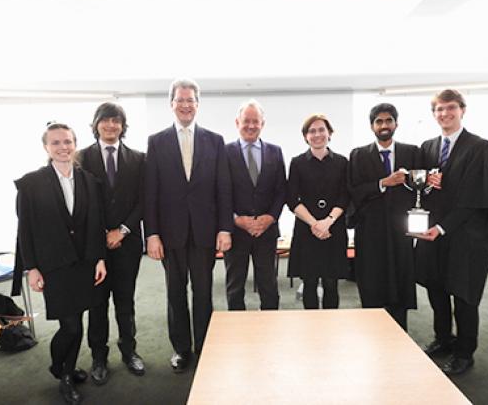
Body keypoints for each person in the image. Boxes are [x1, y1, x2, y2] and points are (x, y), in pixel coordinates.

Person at [416, 89, 488, 375]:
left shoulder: (481, 148)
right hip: (435, 233)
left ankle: (464, 352)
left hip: (468, 236)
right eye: (439, 109)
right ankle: (443, 339)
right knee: (436, 288)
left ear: (462, 110)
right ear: (433, 114)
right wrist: (426, 184)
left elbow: (477, 198)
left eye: (450, 108)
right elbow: (423, 191)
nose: (444, 114)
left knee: (464, 295)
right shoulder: (429, 146)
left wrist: (442, 227)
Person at [12, 122, 107, 405]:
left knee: (77, 322)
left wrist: (100, 258)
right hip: (55, 265)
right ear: (46, 147)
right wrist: (32, 268)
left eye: (67, 141)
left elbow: (96, 223)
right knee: (71, 327)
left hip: (84, 263)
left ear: (75, 144)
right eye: (55, 143)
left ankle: (65, 368)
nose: (63, 147)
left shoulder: (89, 181)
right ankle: (62, 373)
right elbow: (24, 231)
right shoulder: (30, 184)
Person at [144, 78, 233, 372]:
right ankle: (181, 349)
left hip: (205, 232)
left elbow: (223, 189)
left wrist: (224, 228)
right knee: (175, 294)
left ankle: (205, 345)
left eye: (190, 100)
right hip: (170, 234)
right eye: (180, 100)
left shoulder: (215, 141)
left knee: (204, 292)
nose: (185, 105)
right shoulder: (156, 142)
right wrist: (152, 234)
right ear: (171, 104)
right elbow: (151, 193)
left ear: (197, 104)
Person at [76, 102, 145, 384]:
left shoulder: (140, 159)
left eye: (116, 121)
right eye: (105, 121)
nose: (111, 126)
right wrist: (102, 233)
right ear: (96, 124)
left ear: (122, 126)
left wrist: (123, 230)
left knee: (125, 301)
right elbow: (79, 204)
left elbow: (144, 200)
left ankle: (129, 351)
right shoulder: (81, 158)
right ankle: (99, 357)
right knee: (97, 303)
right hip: (94, 246)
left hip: (127, 243)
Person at [348, 103, 418, 330]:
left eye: (389, 120)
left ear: (396, 123)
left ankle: (401, 335)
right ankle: (372, 335)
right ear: (372, 126)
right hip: (371, 230)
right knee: (372, 282)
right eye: (379, 121)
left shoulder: (413, 152)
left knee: (400, 281)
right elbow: (354, 191)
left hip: (401, 229)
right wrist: (382, 183)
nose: (384, 125)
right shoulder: (358, 155)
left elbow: (422, 188)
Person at [224, 99, 286, 311]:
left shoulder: (275, 152)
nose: (251, 126)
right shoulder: (224, 152)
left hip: (266, 231)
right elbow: (220, 192)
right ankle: (237, 331)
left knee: (268, 284)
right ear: (237, 122)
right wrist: (235, 219)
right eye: (246, 121)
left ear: (263, 124)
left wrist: (270, 217)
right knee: (235, 286)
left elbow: (281, 190)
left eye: (256, 121)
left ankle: (270, 329)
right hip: (236, 231)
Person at [286, 114, 350, 309]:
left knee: (331, 284)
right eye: (311, 131)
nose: (317, 134)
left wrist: (327, 222)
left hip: (333, 229)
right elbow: (291, 199)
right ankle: (311, 331)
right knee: (309, 283)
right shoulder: (297, 163)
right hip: (307, 230)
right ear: (306, 136)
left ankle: (331, 330)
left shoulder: (342, 162)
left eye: (321, 129)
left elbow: (345, 196)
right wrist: (315, 223)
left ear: (329, 133)